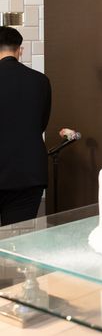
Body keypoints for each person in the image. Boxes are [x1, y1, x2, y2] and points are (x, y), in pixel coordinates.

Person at [0, 26, 51, 225]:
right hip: (28, 174)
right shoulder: (41, 81)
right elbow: (41, 123)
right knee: (19, 237)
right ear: (19, 50)